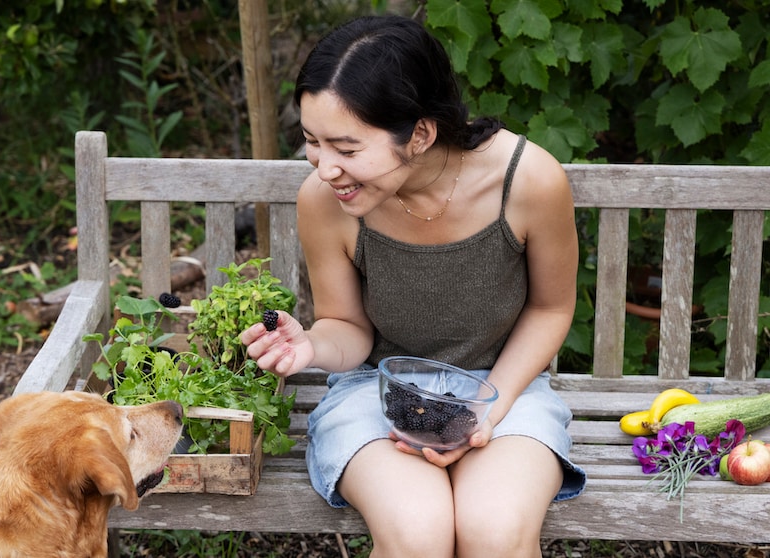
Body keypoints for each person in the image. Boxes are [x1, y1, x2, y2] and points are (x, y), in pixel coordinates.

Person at [240, 14, 586, 558]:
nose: (325, 167)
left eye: (347, 149)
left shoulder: (528, 181)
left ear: (420, 133)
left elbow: (549, 309)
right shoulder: (325, 201)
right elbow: (347, 328)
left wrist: (482, 413)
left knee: (495, 532)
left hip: (503, 390)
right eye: (312, 142)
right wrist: (309, 343)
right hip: (375, 392)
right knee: (418, 535)